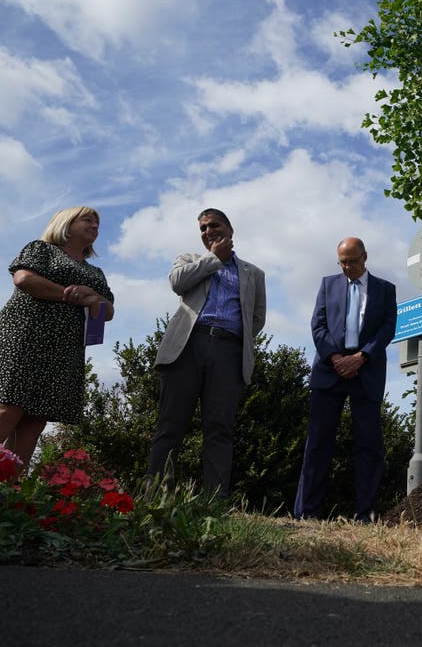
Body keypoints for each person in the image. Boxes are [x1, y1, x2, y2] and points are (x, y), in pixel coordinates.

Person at [0, 206, 115, 467]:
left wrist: (94, 297)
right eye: (87, 220)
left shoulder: (95, 273)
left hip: (65, 346)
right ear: (66, 223)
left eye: (97, 224)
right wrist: (71, 294)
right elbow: (23, 279)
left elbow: (107, 311)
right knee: (7, 409)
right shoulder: (41, 249)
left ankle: (6, 492)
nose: (94, 226)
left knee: (35, 421)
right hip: (25, 333)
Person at [148, 208, 267, 498]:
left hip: (229, 351)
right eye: (202, 228)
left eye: (213, 225)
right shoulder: (189, 260)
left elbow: (257, 317)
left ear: (230, 229)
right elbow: (178, 282)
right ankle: (155, 498)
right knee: (171, 425)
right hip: (188, 346)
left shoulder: (254, 273)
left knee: (219, 428)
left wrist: (237, 337)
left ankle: (214, 502)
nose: (207, 231)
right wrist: (214, 258)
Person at [295, 237, 397, 521]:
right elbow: (318, 325)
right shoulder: (328, 285)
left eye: (352, 261)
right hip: (330, 370)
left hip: (367, 371)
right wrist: (336, 359)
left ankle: (366, 515)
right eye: (342, 262)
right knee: (317, 443)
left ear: (365, 256)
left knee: (369, 446)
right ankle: (307, 512)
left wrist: (362, 357)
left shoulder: (385, 290)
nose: (347, 267)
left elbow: (388, 328)